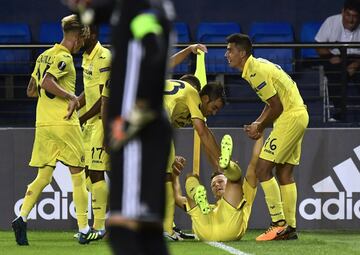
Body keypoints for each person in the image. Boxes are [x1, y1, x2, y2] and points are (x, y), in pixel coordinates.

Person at [12, 14, 101, 245]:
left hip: (43, 123)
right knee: (79, 174)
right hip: (64, 123)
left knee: (43, 175)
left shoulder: (43, 55)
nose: (83, 43)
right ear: (79, 36)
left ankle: (21, 217)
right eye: (84, 37)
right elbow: (46, 83)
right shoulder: (64, 58)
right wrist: (70, 96)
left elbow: (31, 90)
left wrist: (49, 98)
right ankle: (83, 229)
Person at [104, 1, 175, 255]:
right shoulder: (147, 7)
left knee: (123, 228)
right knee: (147, 234)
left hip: (136, 135)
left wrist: (137, 112)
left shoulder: (138, 10)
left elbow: (152, 46)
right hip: (144, 132)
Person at [225, 33, 309, 241]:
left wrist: (260, 125)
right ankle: (289, 228)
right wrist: (258, 124)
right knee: (284, 173)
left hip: (289, 116)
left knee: (262, 169)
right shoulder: (255, 66)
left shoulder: (256, 71)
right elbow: (271, 102)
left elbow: (276, 106)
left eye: (230, 50)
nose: (227, 54)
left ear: (242, 53)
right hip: (298, 114)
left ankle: (278, 223)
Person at [172, 134, 260, 241]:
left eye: (220, 181)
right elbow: (176, 197)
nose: (217, 185)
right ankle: (225, 169)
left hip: (218, 226)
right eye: (213, 185)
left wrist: (261, 132)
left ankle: (226, 167)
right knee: (190, 178)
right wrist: (175, 174)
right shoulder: (208, 206)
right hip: (210, 223)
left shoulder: (246, 193)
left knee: (234, 181)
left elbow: (254, 163)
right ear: (212, 193)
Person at [77, 24, 111, 238]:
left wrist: (81, 117)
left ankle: (100, 226)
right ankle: (105, 217)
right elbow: (89, 90)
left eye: (84, 34)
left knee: (97, 172)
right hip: (89, 123)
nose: (80, 38)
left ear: (94, 35)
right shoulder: (86, 56)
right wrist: (75, 102)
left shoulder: (104, 57)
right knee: (87, 174)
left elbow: (103, 100)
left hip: (101, 121)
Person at [315, 0, 360, 121]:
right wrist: (330, 56)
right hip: (335, 57)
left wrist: (355, 65)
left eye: (355, 16)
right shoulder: (331, 22)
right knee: (335, 75)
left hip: (357, 59)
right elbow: (318, 46)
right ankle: (339, 113)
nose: (351, 20)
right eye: (348, 15)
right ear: (342, 12)